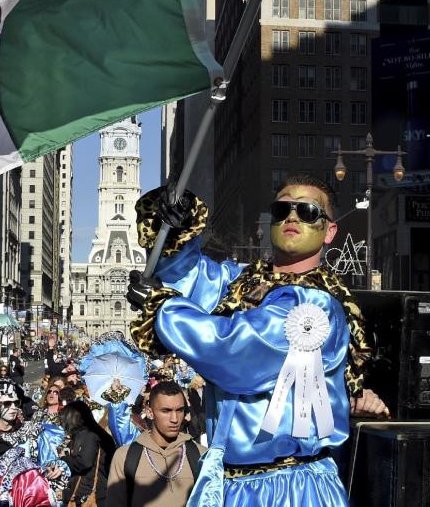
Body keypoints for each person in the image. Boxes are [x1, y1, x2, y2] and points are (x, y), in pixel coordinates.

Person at [129, 176, 389, 506]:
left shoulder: (316, 307)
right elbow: (189, 278)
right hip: (232, 485)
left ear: (329, 231)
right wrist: (174, 228)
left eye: (308, 211)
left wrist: (162, 307)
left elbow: (236, 350)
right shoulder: (242, 284)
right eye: (283, 209)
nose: (292, 217)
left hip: (292, 487)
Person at [106, 381, 204, 507]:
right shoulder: (125, 457)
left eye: (179, 410)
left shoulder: (201, 456)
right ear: (150, 412)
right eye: (166, 411)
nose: (174, 419)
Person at [0, 379, 69, 495]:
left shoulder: (34, 429)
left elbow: (49, 460)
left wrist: (56, 467)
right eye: (7, 403)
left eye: (16, 403)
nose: (13, 407)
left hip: (30, 494)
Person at [59, 400, 114, 507]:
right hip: (99, 491)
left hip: (92, 495)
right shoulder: (95, 432)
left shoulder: (89, 435)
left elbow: (84, 463)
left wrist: (65, 459)